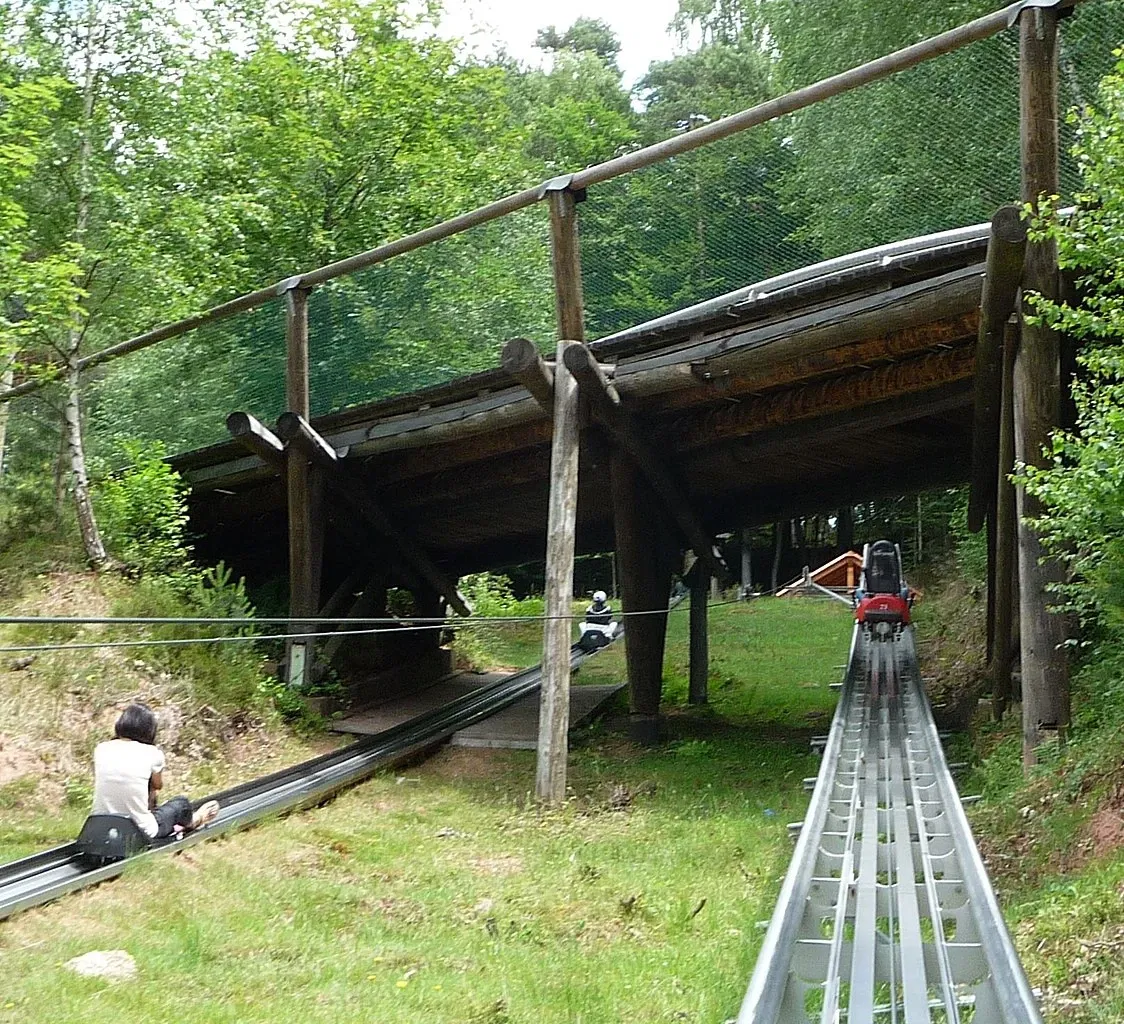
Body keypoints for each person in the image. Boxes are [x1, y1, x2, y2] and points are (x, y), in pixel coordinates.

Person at [92, 703, 219, 841]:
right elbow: (157, 785)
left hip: (100, 827)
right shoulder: (152, 754)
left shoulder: (101, 749)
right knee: (181, 804)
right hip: (140, 830)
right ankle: (195, 820)